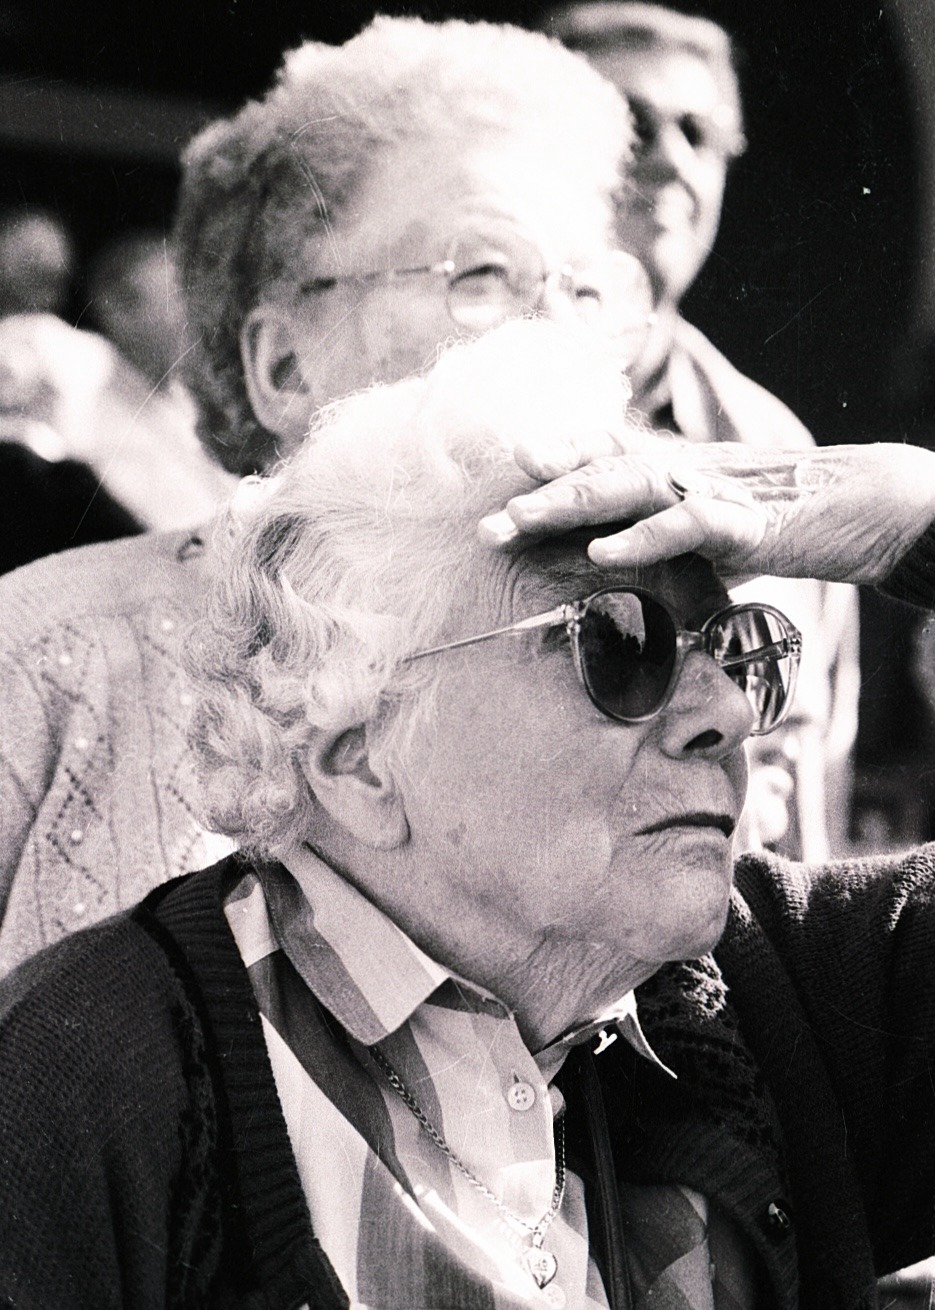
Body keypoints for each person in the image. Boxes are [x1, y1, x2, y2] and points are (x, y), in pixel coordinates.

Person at [3, 319, 935, 1310]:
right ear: (357, 754)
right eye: (620, 645)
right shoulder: (92, 1081)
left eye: (736, 652)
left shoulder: (781, 1000)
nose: (716, 717)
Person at [0, 14, 646, 977]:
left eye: (588, 291)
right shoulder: (43, 656)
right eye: (483, 273)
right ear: (283, 364)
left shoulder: (651, 674)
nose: (557, 332)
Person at [541, 1, 859, 859]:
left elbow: (807, 806)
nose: (672, 158)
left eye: (701, 131)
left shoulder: (782, 452)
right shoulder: (448, 420)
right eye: (632, 121)